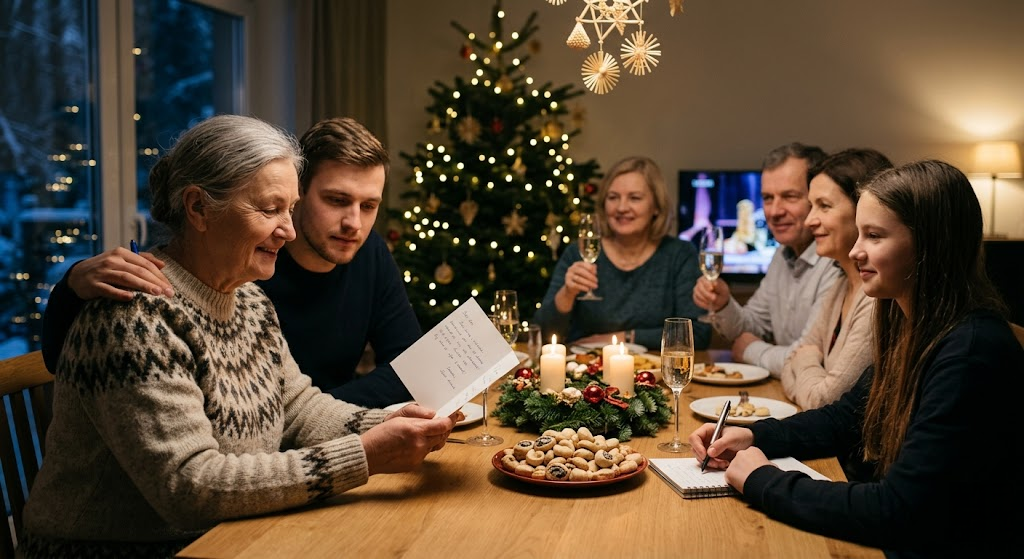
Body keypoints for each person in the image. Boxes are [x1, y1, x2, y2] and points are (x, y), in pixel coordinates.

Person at [20, 115, 459, 557]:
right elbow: (190, 487)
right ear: (198, 209)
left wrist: (392, 424)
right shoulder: (134, 316)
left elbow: (298, 408)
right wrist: (363, 454)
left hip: (230, 535)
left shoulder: (249, 300)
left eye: (289, 210)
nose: (288, 231)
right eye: (270, 210)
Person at [690, 159, 1021, 558]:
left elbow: (897, 510)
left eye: (875, 236)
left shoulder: (971, 350)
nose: (855, 250)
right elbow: (845, 417)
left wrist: (763, 479)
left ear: (930, 245)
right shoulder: (909, 322)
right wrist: (755, 436)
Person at [40, 117, 420, 408]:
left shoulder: (357, 255)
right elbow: (78, 354)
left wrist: (318, 419)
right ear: (298, 191)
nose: (355, 223)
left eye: (369, 206)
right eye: (337, 200)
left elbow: (409, 368)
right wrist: (72, 285)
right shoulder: (242, 262)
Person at [532, 155, 710, 350]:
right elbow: (542, 333)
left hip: (657, 373)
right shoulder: (579, 252)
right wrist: (567, 294)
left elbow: (697, 334)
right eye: (613, 197)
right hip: (585, 372)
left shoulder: (680, 254)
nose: (621, 208)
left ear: (657, 207)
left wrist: (621, 338)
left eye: (635, 198)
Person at [693, 142, 838, 375]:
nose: (774, 211)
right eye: (768, 198)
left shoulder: (836, 261)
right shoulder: (782, 254)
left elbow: (811, 362)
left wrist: (750, 350)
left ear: (817, 198)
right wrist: (723, 303)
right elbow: (754, 326)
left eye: (789, 196)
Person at [779, 148, 892, 409]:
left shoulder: (878, 299)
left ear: (865, 210)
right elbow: (788, 364)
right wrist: (810, 370)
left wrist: (806, 361)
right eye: (811, 206)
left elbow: (826, 402)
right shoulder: (841, 285)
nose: (809, 221)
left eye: (824, 206)